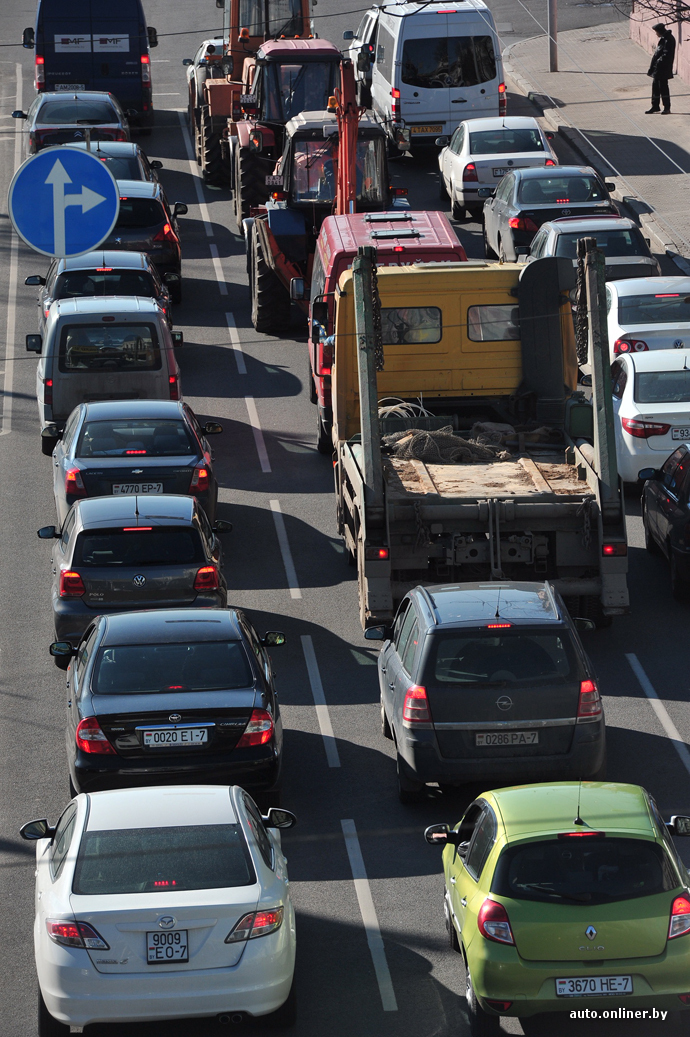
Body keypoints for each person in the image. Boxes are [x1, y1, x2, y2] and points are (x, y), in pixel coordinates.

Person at [646, 22, 676, 114]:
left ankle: (667, 107)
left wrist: (658, 63)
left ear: (660, 31)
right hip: (658, 68)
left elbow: (666, 55)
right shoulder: (664, 38)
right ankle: (655, 106)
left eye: (656, 32)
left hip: (663, 68)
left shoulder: (668, 40)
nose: (656, 34)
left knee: (663, 87)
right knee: (655, 87)